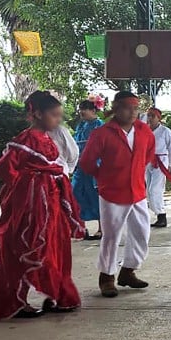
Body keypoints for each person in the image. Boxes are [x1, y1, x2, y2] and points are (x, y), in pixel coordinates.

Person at [0, 92, 85, 320]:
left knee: (54, 248)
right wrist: (31, 184)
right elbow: (3, 169)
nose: (58, 120)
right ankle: (15, 302)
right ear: (37, 114)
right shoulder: (26, 139)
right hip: (33, 206)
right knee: (28, 248)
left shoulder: (46, 138)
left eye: (59, 115)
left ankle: (57, 295)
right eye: (54, 115)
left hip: (50, 204)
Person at [79, 91, 161, 298]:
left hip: (137, 191)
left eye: (136, 108)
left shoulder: (144, 131)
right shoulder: (102, 133)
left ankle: (128, 271)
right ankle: (107, 277)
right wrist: (104, 176)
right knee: (111, 236)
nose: (133, 112)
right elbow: (87, 162)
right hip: (112, 192)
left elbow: (148, 154)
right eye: (127, 108)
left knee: (142, 232)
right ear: (116, 109)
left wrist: (135, 172)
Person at [71, 98, 105, 241]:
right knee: (76, 193)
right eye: (80, 110)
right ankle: (81, 227)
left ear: (93, 110)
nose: (82, 112)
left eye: (84, 109)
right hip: (80, 166)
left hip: (94, 166)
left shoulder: (100, 126)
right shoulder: (80, 125)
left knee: (96, 196)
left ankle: (101, 229)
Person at [146, 107, 171, 228]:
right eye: (149, 115)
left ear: (159, 118)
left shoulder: (165, 131)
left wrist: (170, 164)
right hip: (148, 161)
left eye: (152, 116)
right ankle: (158, 214)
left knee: (155, 189)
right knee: (148, 190)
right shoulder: (145, 130)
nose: (150, 118)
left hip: (161, 161)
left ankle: (161, 214)